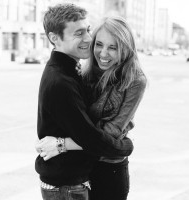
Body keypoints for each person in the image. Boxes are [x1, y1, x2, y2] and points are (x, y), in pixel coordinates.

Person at [36, 15, 147, 200]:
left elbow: (111, 130)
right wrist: (123, 145)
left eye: (113, 47)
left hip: (109, 170)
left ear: (126, 49)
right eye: (99, 44)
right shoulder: (85, 73)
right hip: (83, 169)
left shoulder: (135, 80)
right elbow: (78, 124)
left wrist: (62, 145)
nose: (103, 54)